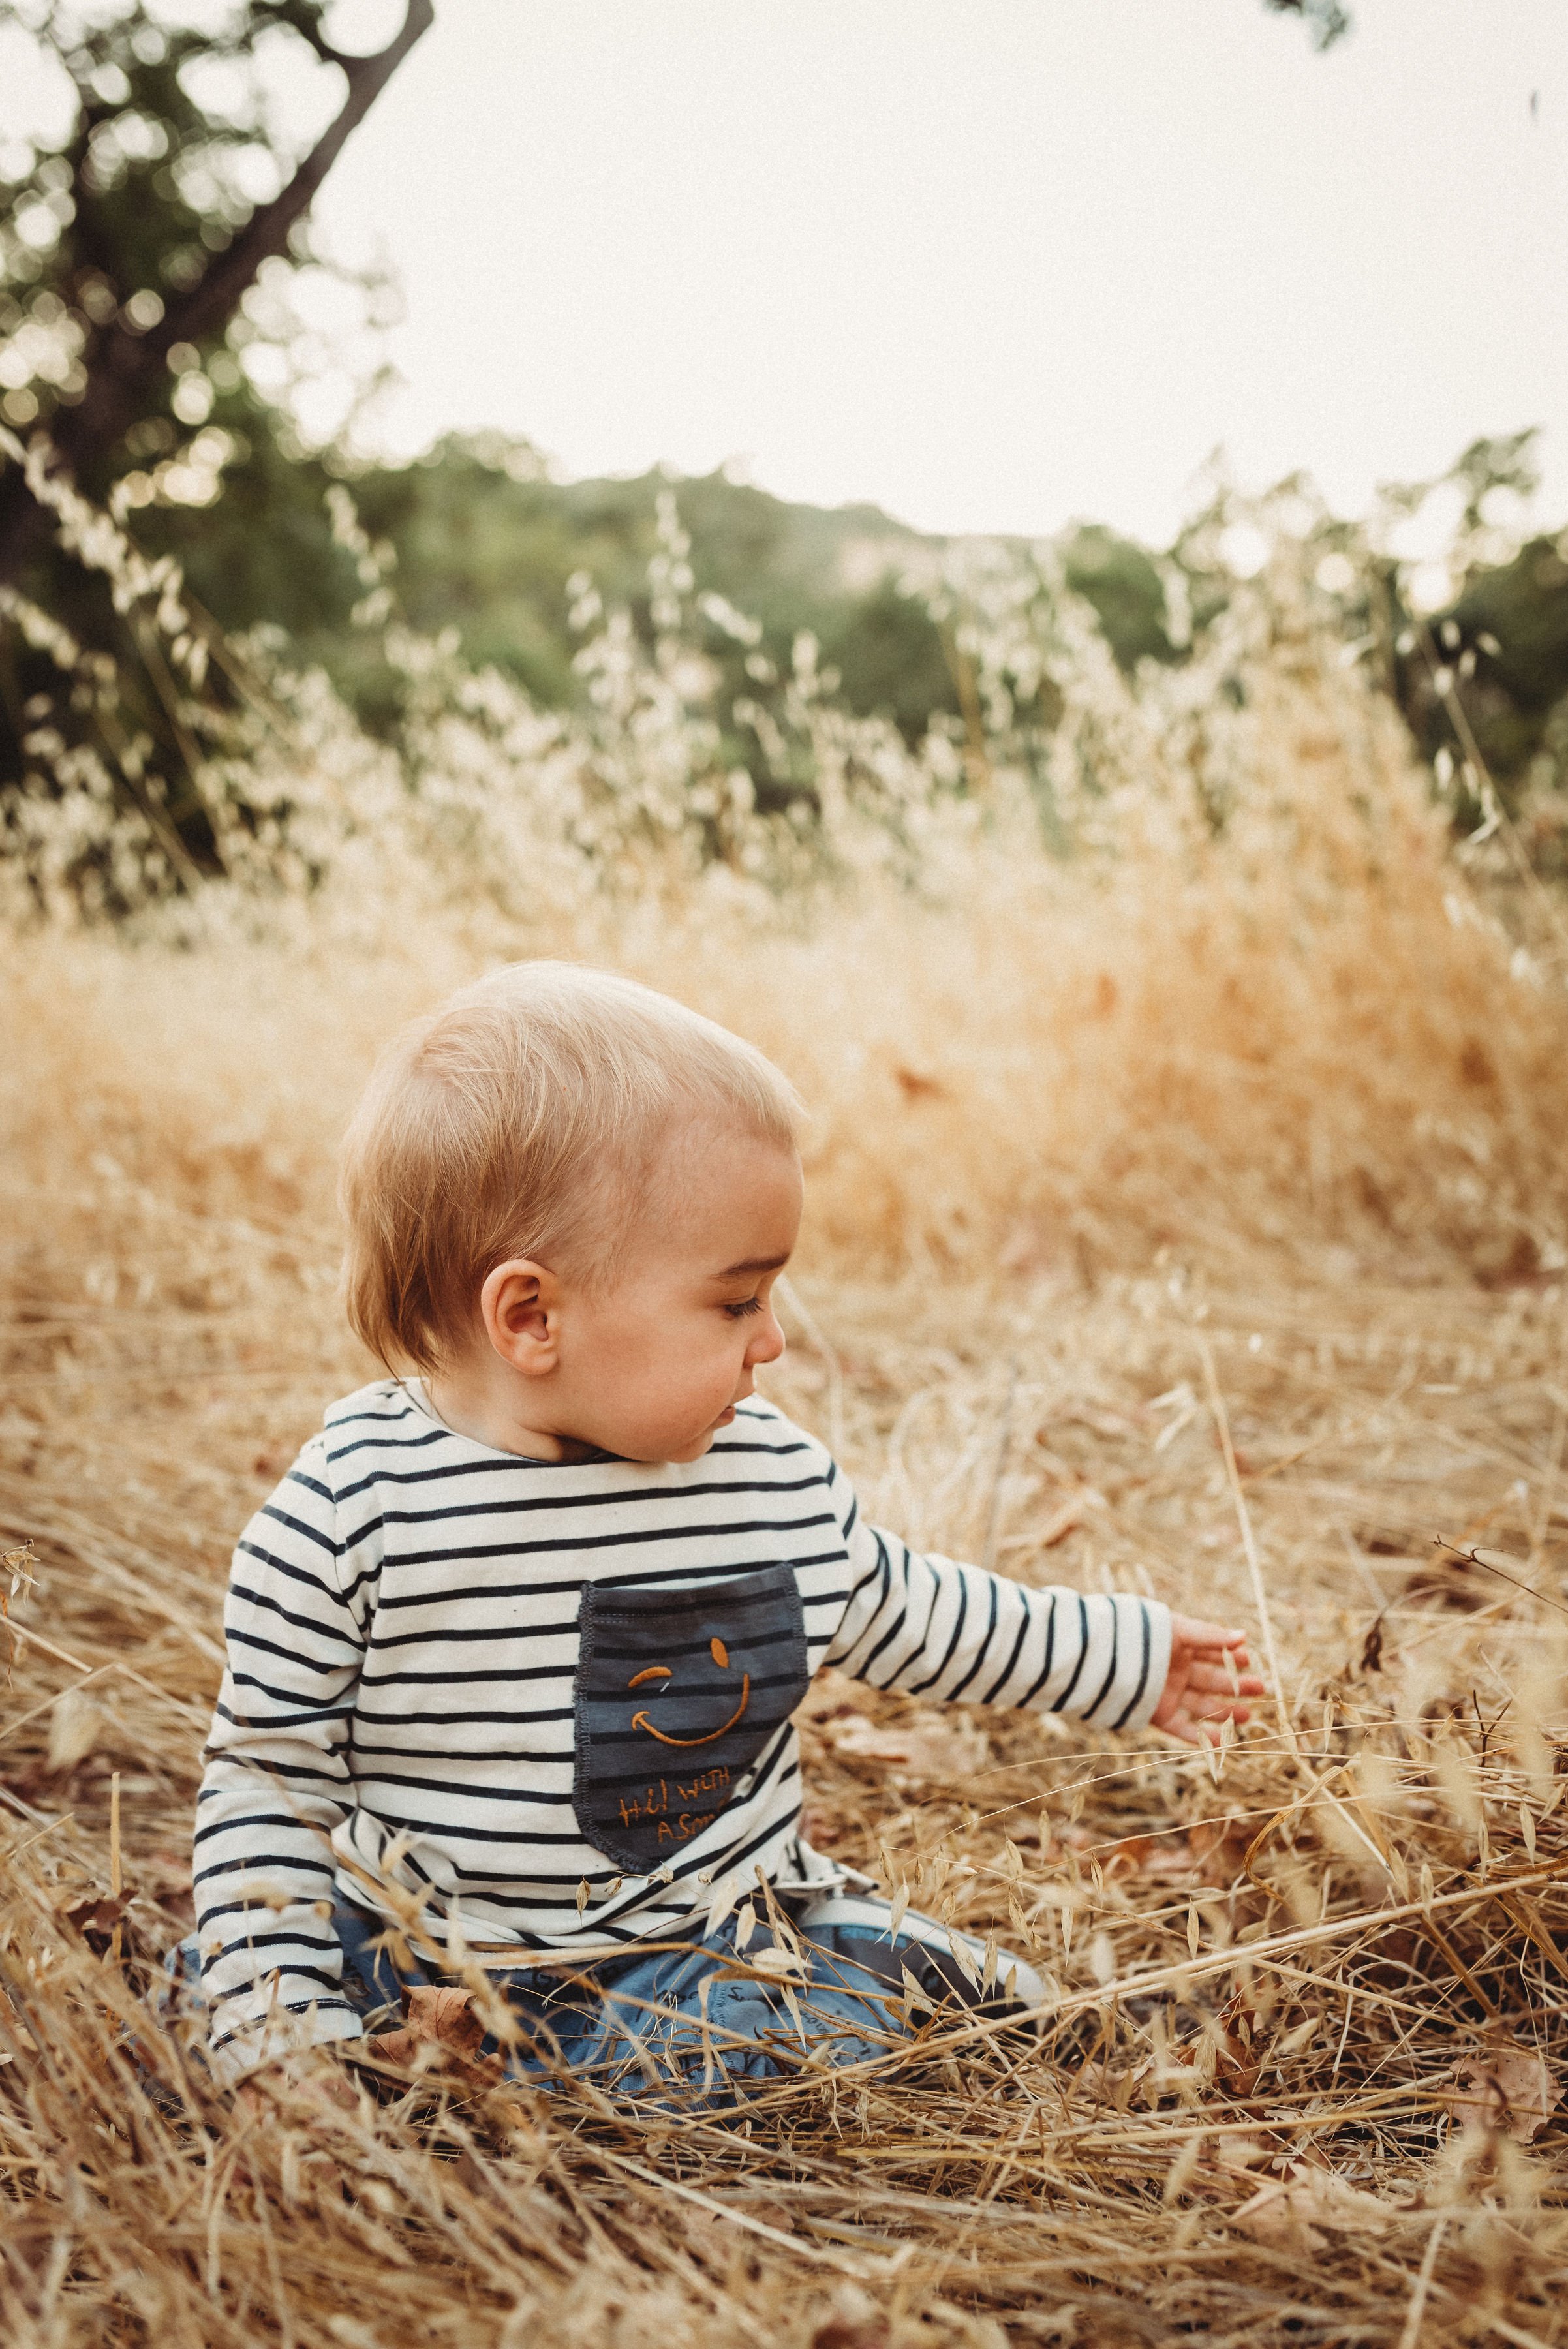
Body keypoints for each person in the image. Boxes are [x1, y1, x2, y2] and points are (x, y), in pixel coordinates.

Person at [192, 962, 1263, 2100]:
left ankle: (765, 2033)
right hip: (436, 1971)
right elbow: (269, 1785)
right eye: (736, 1301)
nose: (774, 1343)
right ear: (533, 1315)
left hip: (715, 1936)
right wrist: (278, 2028)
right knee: (724, 2055)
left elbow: (908, 1611)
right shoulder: (353, 1511)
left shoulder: (761, 1474)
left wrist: (1124, 1659)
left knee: (978, 2010)